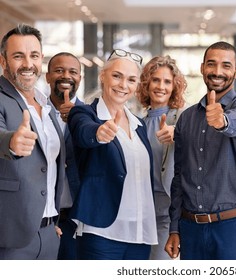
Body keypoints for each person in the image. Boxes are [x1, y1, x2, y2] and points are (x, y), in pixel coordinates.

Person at [164, 41, 236, 260]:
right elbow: (179, 177)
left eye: (226, 66)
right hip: (190, 229)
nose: (217, 71)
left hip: (231, 229)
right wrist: (175, 227)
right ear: (202, 68)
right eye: (211, 64)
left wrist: (222, 120)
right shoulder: (186, 118)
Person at [67, 49, 157, 260]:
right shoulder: (85, 114)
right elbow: (83, 131)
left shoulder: (138, 124)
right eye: (117, 76)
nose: (123, 85)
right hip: (101, 233)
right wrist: (99, 133)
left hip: (139, 234)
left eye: (131, 79)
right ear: (102, 76)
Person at [0, 24, 66, 259]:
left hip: (48, 234)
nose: (28, 63)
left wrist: (51, 221)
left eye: (34, 55)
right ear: (3, 61)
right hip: (9, 238)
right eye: (18, 56)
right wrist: (10, 141)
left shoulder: (46, 105)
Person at [137, 55, 187, 260]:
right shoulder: (137, 123)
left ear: (174, 87)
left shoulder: (183, 119)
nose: (161, 86)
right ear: (147, 84)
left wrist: (178, 133)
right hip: (141, 208)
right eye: (156, 80)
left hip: (169, 209)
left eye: (167, 81)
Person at [46, 52, 83, 260]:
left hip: (77, 217)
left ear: (80, 78)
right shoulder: (36, 112)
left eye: (73, 72)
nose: (66, 76)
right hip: (42, 215)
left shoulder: (91, 115)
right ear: (48, 76)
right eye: (59, 70)